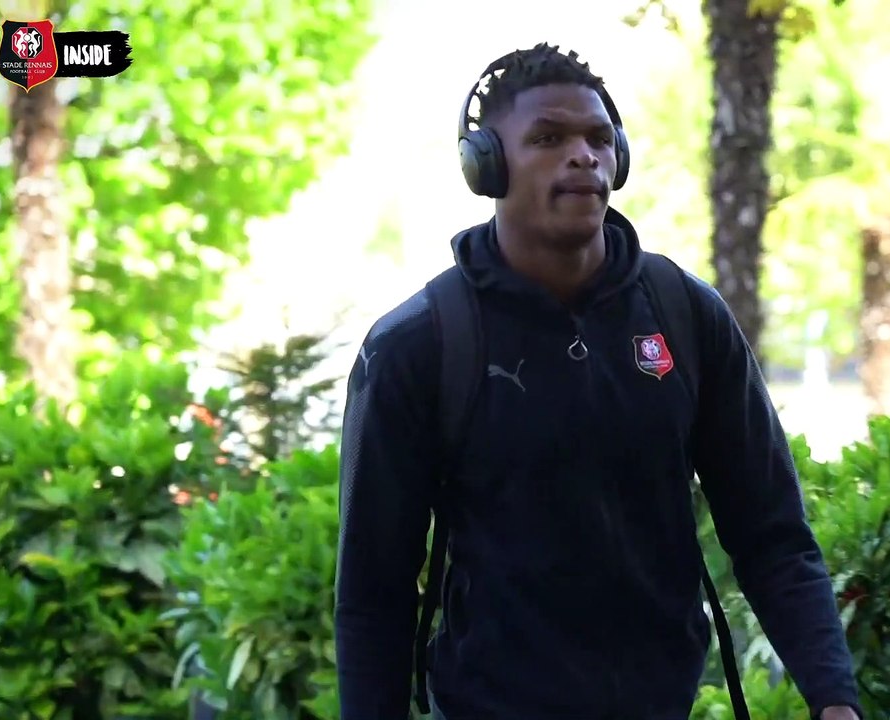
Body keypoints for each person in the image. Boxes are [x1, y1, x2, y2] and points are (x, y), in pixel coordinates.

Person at [334, 42, 861, 720]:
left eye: (598, 138)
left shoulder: (685, 315)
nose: (582, 155)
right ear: (486, 165)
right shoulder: (418, 345)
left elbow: (772, 533)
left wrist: (834, 699)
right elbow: (373, 591)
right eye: (547, 138)